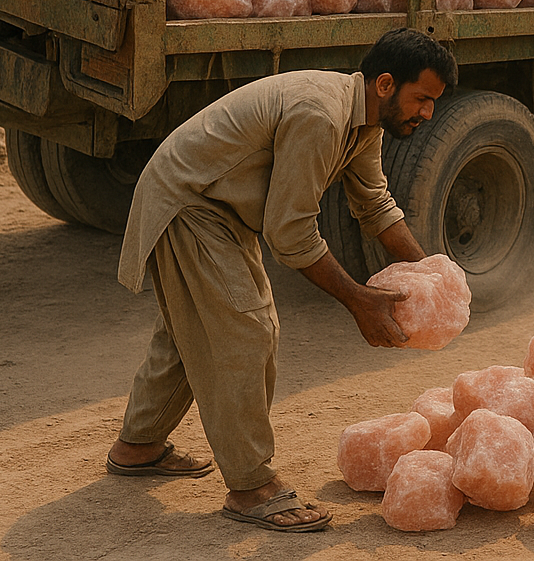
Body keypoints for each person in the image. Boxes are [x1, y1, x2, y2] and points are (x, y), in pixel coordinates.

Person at [105, 29, 459, 533]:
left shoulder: (364, 125)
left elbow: (376, 206)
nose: (427, 114)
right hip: (192, 202)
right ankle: (251, 487)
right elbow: (289, 233)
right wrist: (358, 300)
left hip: (219, 209)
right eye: (422, 99)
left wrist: (432, 276)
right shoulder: (322, 115)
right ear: (386, 84)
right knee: (247, 330)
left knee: (194, 330)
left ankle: (137, 447)